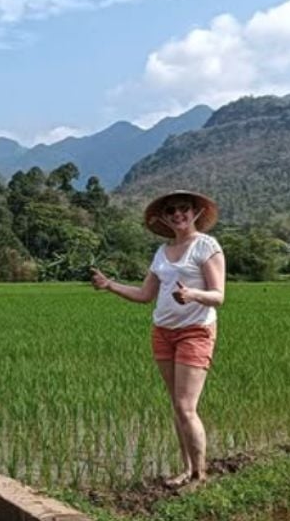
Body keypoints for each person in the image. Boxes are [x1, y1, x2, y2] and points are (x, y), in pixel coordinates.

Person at [90, 190, 225, 489]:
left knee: (187, 406)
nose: (178, 214)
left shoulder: (206, 246)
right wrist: (109, 285)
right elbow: (145, 295)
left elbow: (218, 296)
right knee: (177, 406)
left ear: (196, 213)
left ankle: (199, 476)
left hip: (195, 331)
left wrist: (191, 294)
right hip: (163, 332)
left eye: (184, 209)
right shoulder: (162, 252)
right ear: (164, 218)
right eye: (172, 211)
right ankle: (186, 468)